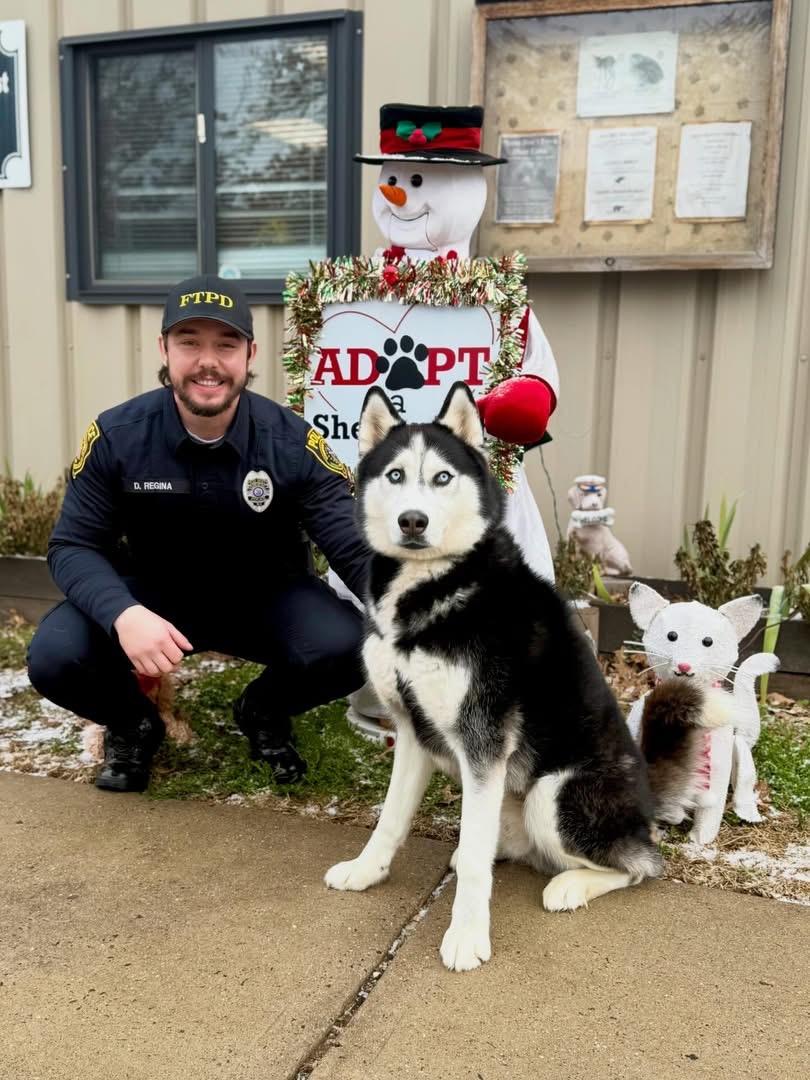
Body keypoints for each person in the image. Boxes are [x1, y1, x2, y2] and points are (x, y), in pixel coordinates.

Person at [27, 275, 369, 793]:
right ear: (163, 348)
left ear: (250, 354)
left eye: (225, 344)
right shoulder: (117, 436)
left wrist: (420, 609)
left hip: (262, 595)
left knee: (352, 646)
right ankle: (133, 724)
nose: (208, 360)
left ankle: (261, 709)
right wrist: (123, 614)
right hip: (151, 600)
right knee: (55, 657)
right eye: (190, 342)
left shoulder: (292, 442)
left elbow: (349, 542)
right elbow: (72, 545)